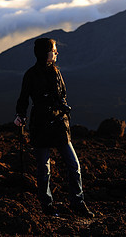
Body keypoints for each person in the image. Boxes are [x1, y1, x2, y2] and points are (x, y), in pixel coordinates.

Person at [14, 38, 94, 218]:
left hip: (58, 124)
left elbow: (62, 95)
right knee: (44, 168)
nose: (56, 53)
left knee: (74, 165)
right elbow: (23, 99)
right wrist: (20, 116)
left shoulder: (56, 72)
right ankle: (47, 206)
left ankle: (77, 203)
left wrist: (63, 110)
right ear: (45, 53)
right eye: (54, 50)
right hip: (41, 124)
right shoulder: (31, 75)